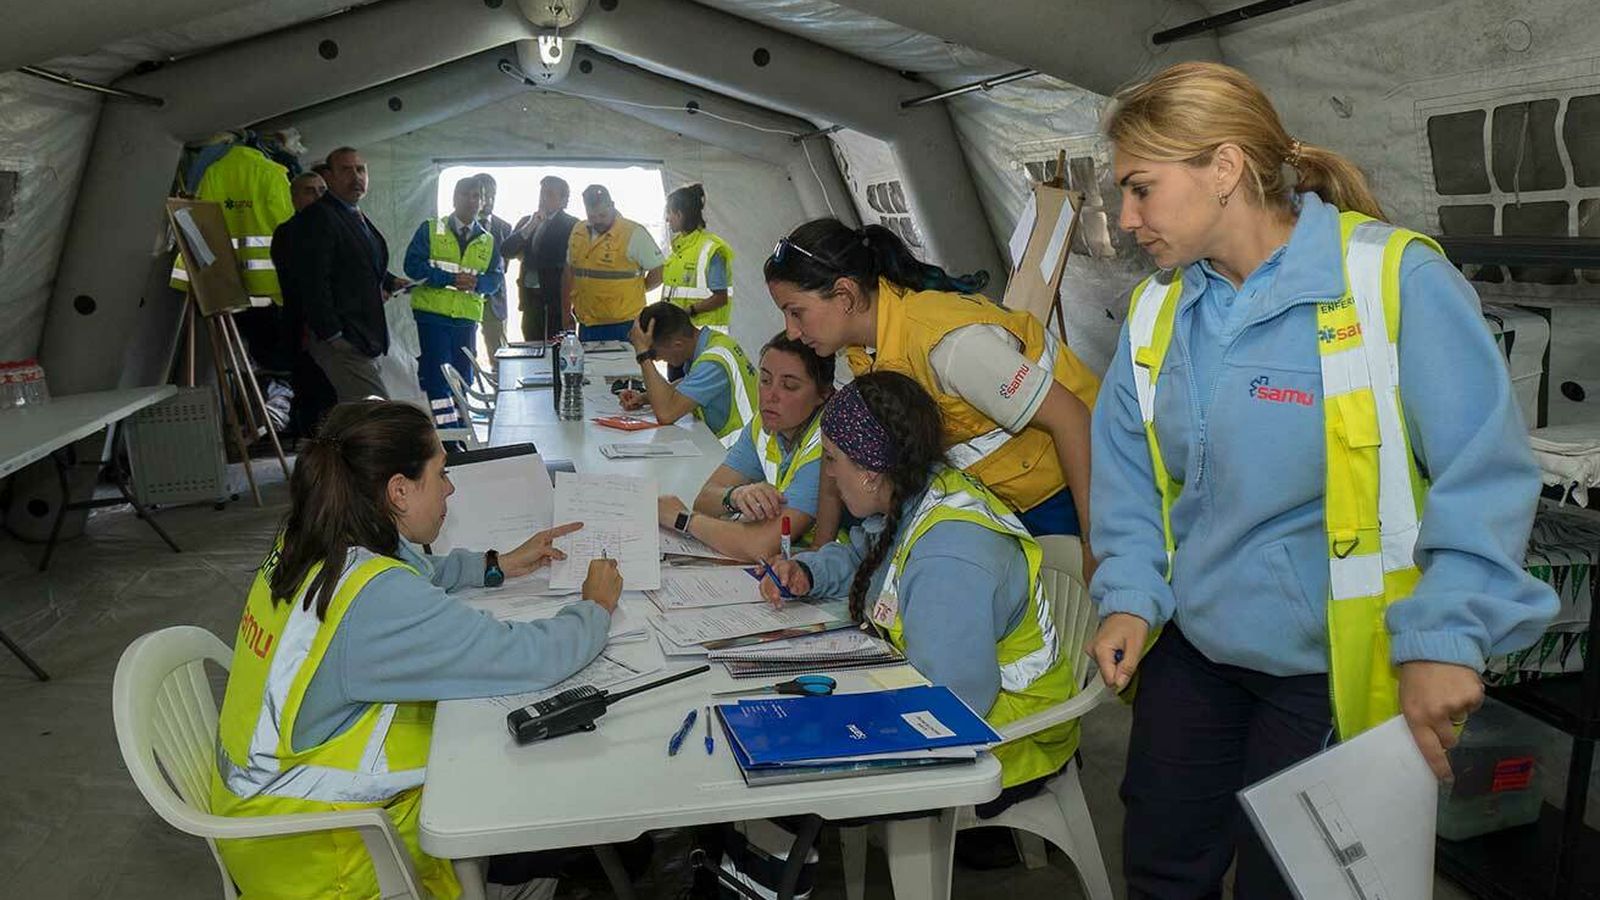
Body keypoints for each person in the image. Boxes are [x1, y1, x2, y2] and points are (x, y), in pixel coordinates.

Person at [1084, 61, 1560, 899]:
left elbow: (1483, 474)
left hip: (1328, 668)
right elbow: (1128, 472)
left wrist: (1446, 635)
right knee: (1162, 865)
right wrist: (1129, 592)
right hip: (1195, 652)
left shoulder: (1392, 280)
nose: (1126, 221)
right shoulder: (1159, 311)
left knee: (1300, 884)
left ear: (1223, 168)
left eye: (1140, 189)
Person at [209, 400, 624, 899]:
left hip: (271, 823)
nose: (450, 489)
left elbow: (404, 568)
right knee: (553, 800)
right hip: (331, 859)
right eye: (441, 473)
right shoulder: (374, 597)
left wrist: (495, 564)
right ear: (399, 490)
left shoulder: (310, 538)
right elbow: (527, 656)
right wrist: (595, 607)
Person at [761, 372, 1078, 816]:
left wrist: (850, 718)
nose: (828, 476)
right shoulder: (913, 489)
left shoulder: (948, 560)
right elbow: (866, 555)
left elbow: (952, 704)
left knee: (794, 779)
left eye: (832, 460)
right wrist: (808, 573)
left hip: (1010, 736)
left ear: (870, 472)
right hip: (950, 695)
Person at [765, 220, 1100, 560]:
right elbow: (840, 452)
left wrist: (1095, 543)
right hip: (1013, 499)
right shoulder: (864, 351)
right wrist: (820, 553)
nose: (791, 331)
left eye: (796, 312)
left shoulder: (948, 344)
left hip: (1076, 489)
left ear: (845, 295)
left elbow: (1072, 418)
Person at [658, 333, 833, 561]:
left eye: (789, 386)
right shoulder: (764, 423)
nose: (771, 396)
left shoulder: (826, 444)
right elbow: (705, 499)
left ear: (823, 394)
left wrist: (683, 520)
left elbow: (760, 545)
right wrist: (735, 496)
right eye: (765, 380)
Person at [295, 146, 410, 401]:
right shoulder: (320, 217)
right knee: (376, 415)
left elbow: (357, 262)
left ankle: (335, 443)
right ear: (330, 177)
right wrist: (333, 335)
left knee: (357, 414)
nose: (356, 176)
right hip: (344, 338)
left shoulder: (352, 212)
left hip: (363, 335)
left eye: (361, 170)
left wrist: (390, 280)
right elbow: (314, 281)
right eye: (346, 170)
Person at [404, 176, 504, 428]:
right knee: (439, 378)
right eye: (466, 195)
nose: (471, 201)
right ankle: (449, 435)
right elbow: (413, 266)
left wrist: (478, 284)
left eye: (476, 197)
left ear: (482, 202)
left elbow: (495, 279)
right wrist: (449, 278)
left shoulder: (487, 240)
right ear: (454, 198)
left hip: (466, 319)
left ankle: (462, 428)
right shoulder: (430, 229)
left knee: (464, 377)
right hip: (433, 317)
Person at [622, 301, 756, 447]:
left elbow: (666, 414)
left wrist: (643, 355)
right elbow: (689, 384)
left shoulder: (713, 363)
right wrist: (644, 398)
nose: (656, 359)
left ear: (677, 345)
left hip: (742, 450)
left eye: (654, 353)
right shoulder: (711, 342)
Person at [273, 170, 336, 440]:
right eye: (310, 191)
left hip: (334, 327)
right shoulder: (288, 233)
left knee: (333, 393)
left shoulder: (335, 227)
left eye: (323, 190)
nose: (318, 197)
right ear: (294, 197)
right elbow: (304, 282)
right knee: (310, 390)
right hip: (303, 326)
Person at [563, 184, 664, 342]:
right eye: (592, 216)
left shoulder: (633, 233)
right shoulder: (578, 230)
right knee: (590, 366)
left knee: (627, 366)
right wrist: (565, 311)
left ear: (612, 206)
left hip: (625, 324)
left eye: (602, 215)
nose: (597, 221)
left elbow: (659, 270)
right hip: (586, 322)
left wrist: (639, 288)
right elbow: (569, 271)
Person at [503, 176, 579, 343]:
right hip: (530, 301)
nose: (544, 198)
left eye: (550, 194)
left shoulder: (572, 225)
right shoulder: (527, 222)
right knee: (532, 346)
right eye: (542, 193)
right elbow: (506, 251)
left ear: (564, 200)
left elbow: (573, 264)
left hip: (556, 302)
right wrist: (530, 227)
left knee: (556, 349)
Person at [661, 184, 733, 331]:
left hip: (705, 333)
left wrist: (688, 311)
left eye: (669, 213)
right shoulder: (678, 249)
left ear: (680, 214)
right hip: (681, 332)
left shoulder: (710, 249)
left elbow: (720, 297)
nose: (667, 219)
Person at [472, 172, 514, 362]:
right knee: (465, 353)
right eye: (484, 195)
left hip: (495, 300)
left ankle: (500, 390)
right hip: (465, 297)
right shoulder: (458, 225)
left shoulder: (504, 227)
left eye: (493, 195)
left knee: (499, 354)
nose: (489, 200)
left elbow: (504, 266)